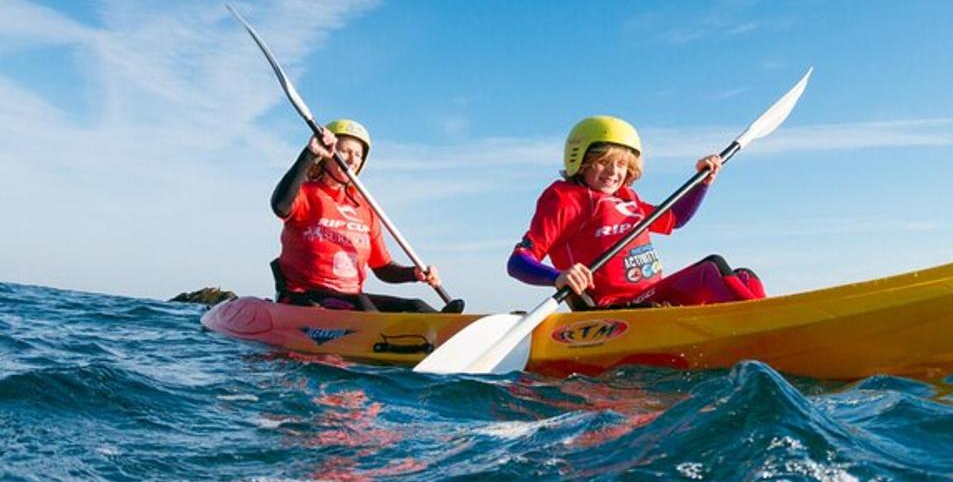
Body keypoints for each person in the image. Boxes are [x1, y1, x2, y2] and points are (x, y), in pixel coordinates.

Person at [507, 115, 766, 309]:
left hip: (652, 298)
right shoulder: (565, 200)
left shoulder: (626, 198)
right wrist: (558, 277)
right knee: (712, 267)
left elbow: (675, 219)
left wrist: (703, 182)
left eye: (621, 164)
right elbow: (518, 261)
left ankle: (764, 322)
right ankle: (759, 323)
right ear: (580, 161)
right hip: (613, 311)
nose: (613, 172)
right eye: (603, 162)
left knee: (745, 277)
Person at [270, 119, 458, 313]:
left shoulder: (364, 206)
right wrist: (310, 154)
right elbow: (280, 206)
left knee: (416, 306)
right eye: (345, 152)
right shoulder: (307, 193)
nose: (352, 160)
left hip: (350, 300)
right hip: (305, 297)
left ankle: (449, 332)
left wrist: (414, 273)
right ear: (327, 154)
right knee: (362, 305)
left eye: (358, 154)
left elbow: (383, 268)